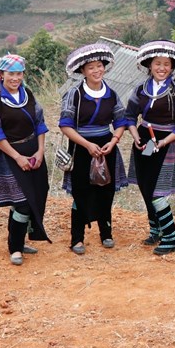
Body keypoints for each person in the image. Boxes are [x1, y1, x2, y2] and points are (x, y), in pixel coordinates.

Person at [0, 53, 51, 266]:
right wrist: (18, 157)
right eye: (11, 73)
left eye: (19, 73)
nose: (15, 78)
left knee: (36, 196)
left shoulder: (28, 93)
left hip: (33, 151)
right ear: (0, 74)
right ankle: (15, 248)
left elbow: (40, 123)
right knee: (21, 202)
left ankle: (19, 239)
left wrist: (40, 151)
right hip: (9, 155)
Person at [124, 40, 175, 256]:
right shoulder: (140, 90)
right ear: (149, 65)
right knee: (146, 188)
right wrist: (136, 137)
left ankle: (171, 237)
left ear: (172, 67)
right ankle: (156, 230)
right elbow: (128, 116)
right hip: (144, 141)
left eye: (166, 64)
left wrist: (164, 142)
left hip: (167, 144)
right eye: (157, 63)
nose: (162, 68)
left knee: (158, 192)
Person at [59, 43, 128, 253]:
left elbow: (120, 120)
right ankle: (77, 238)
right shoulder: (75, 94)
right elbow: (65, 125)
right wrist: (87, 144)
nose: (97, 70)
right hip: (81, 147)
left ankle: (106, 233)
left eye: (100, 66)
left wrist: (114, 140)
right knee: (81, 192)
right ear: (83, 71)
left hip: (107, 146)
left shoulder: (112, 94)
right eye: (91, 68)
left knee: (106, 191)